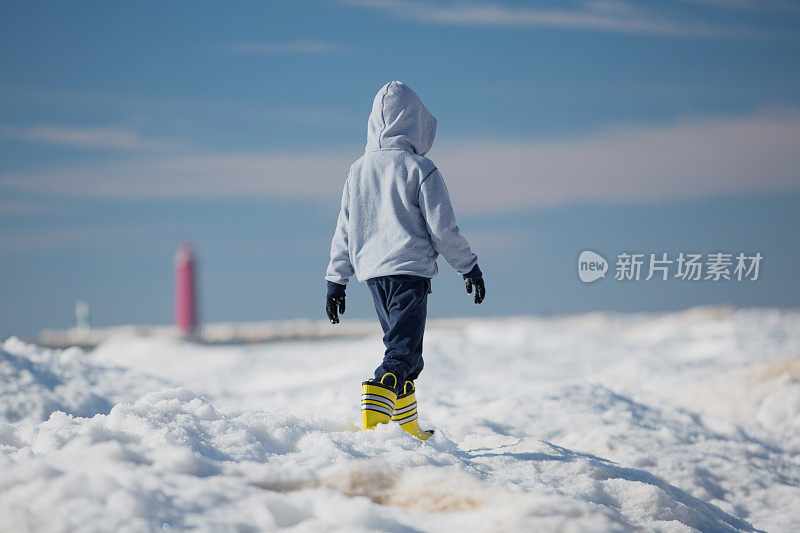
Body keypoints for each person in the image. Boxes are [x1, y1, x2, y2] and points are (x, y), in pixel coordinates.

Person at [324, 81, 485, 440]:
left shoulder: (357, 171)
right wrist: (468, 266)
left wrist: (336, 281)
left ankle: (404, 426)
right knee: (403, 351)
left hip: (373, 277)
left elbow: (344, 230)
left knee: (404, 347)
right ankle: (379, 394)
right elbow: (443, 230)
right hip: (409, 272)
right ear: (416, 124)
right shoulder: (419, 168)